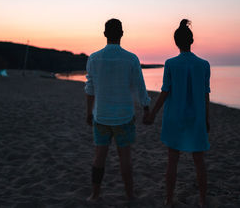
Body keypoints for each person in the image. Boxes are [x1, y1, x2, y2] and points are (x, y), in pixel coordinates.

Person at [146, 19, 211, 207]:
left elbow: (165, 92)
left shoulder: (171, 64)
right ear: (191, 41)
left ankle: (168, 199)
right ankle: (202, 201)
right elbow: (205, 94)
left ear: (176, 42)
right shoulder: (204, 65)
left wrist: (153, 114)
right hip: (197, 118)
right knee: (199, 162)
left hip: (174, 118)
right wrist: (206, 118)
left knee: (172, 162)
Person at [85, 18, 151, 202]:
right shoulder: (131, 58)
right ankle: (130, 195)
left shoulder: (94, 58)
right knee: (125, 158)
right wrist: (146, 108)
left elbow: (90, 89)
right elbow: (140, 87)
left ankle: (95, 195)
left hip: (101, 116)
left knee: (99, 157)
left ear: (105, 34)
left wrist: (88, 112)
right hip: (124, 117)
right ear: (122, 33)